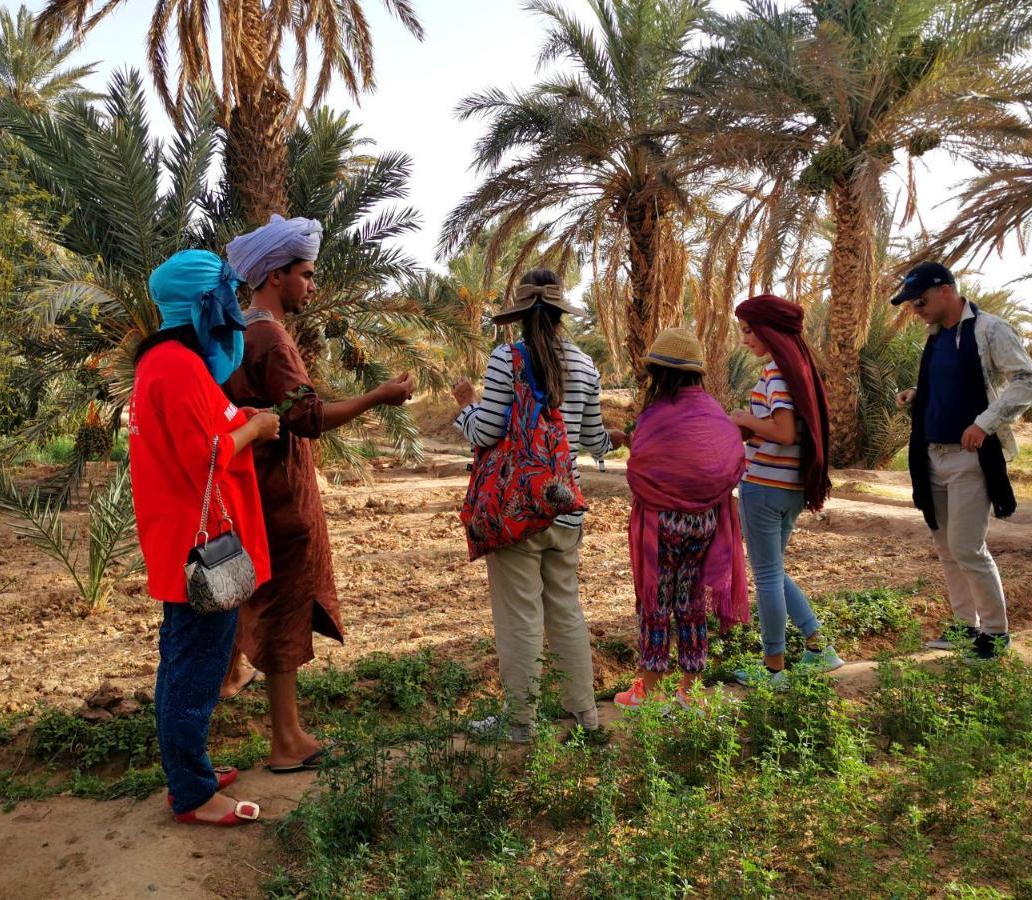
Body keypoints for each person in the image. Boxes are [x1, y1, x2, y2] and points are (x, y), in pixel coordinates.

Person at [222, 215, 415, 772]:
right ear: (275, 277)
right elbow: (305, 417)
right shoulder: (271, 337)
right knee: (284, 608)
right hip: (283, 496)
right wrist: (376, 397)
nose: (311, 285)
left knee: (260, 599)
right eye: (305, 275)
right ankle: (287, 741)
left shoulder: (236, 332)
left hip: (254, 489)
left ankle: (237, 683)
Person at [129, 249, 280, 826]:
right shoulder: (180, 366)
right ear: (202, 303)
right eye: (225, 297)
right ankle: (191, 794)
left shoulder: (159, 362)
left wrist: (235, 416)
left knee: (181, 660)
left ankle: (187, 768)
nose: (233, 310)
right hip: (202, 551)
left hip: (176, 540)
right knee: (194, 669)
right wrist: (258, 427)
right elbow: (207, 453)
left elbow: (199, 429)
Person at [452, 268, 623, 742]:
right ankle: (584, 715)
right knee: (566, 609)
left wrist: (464, 404)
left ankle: (520, 722)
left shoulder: (505, 359)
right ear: (560, 313)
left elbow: (485, 432)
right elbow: (591, 439)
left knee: (520, 615)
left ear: (521, 315)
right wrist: (615, 439)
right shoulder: (586, 365)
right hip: (564, 505)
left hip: (518, 510)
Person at [892, 262, 1032, 660]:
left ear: (945, 290)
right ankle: (964, 625)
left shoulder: (989, 329)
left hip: (970, 458)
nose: (916, 309)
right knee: (946, 546)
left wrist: (985, 424)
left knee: (967, 547)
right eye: (911, 304)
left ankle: (995, 632)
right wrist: (916, 393)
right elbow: (944, 387)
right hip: (932, 455)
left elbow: (1029, 381)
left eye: (919, 300)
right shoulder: (937, 336)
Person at [612, 328, 748, 710]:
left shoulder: (657, 415)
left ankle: (649, 690)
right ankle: (689, 690)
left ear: (660, 374)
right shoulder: (713, 411)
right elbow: (732, 459)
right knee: (690, 604)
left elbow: (639, 468)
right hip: (705, 525)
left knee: (656, 602)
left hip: (662, 527)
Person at [729, 294, 843, 686]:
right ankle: (819, 647)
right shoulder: (801, 373)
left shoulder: (777, 374)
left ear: (768, 331)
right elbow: (789, 432)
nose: (745, 340)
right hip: (791, 486)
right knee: (774, 571)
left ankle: (773, 668)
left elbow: (784, 431)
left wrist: (743, 418)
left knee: (765, 576)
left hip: (763, 486)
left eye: (748, 331)